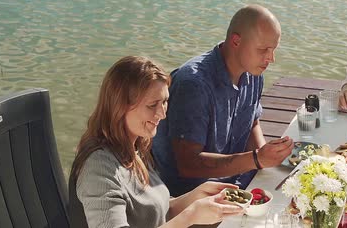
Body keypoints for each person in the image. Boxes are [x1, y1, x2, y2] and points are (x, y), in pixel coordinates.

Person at [68, 56, 245, 228]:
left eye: (165, 102)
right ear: (119, 106)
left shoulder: (135, 148)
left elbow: (157, 212)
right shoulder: (98, 168)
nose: (162, 114)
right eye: (152, 105)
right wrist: (190, 216)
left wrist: (196, 197)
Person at [152, 5, 294, 197]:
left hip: (236, 182)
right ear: (236, 41)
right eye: (263, 49)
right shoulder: (193, 84)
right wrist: (257, 159)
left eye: (273, 49)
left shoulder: (253, 73)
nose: (271, 58)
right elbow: (188, 165)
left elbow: (252, 123)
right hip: (189, 196)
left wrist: (268, 157)